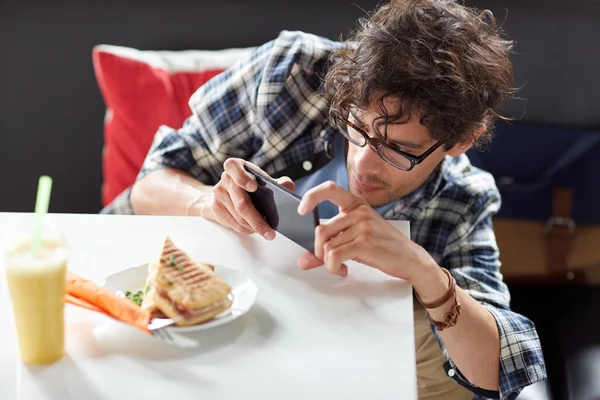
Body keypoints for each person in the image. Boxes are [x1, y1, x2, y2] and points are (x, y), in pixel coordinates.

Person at [102, 0, 547, 398]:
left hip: (310, 356)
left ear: (460, 142)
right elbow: (149, 186)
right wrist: (207, 203)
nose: (364, 163)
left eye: (400, 150)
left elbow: (498, 374)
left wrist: (422, 270)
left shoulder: (462, 199)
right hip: (179, 310)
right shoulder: (290, 71)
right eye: (358, 127)